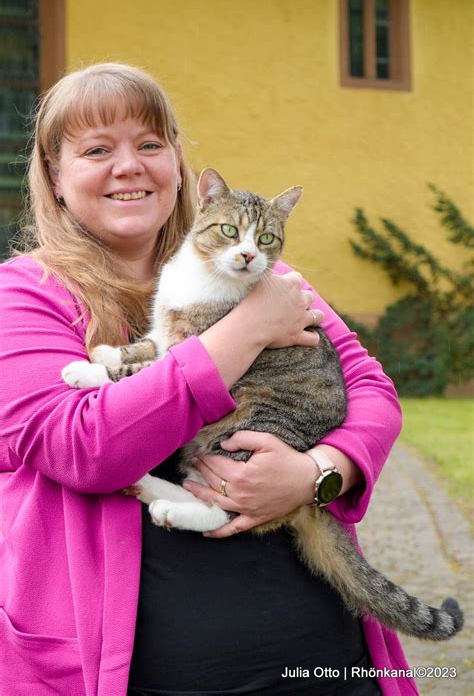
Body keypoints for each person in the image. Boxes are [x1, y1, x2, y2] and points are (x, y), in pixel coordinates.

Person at [0, 63, 416, 696]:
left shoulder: (263, 275)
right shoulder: (24, 295)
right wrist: (245, 331)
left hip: (320, 651)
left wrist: (317, 472)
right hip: (132, 669)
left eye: (150, 144)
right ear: (55, 176)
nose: (130, 166)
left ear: (177, 164)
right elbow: (83, 447)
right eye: (96, 150)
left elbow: (372, 393)